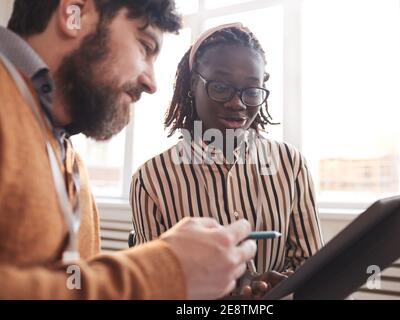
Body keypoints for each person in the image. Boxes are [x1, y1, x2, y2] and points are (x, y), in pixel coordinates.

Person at [0, 0, 257, 300]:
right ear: (74, 14)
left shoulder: (72, 164)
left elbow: (76, 287)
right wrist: (163, 271)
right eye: (145, 46)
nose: (151, 83)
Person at [130, 23, 324, 298]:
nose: (237, 103)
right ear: (192, 86)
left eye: (252, 90)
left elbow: (313, 266)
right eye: (220, 87)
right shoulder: (151, 179)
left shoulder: (291, 164)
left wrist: (281, 287)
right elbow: (152, 288)